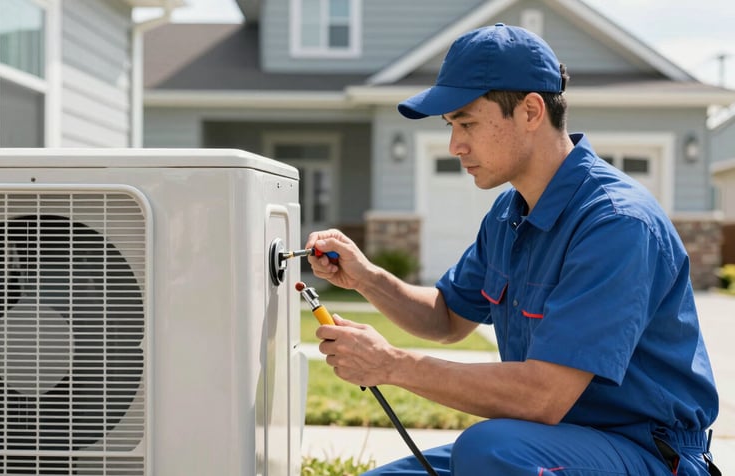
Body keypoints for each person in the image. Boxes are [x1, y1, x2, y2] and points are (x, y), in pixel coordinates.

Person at [305, 23, 720, 476]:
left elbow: (541, 397)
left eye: (467, 123)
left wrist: (390, 364)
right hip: (551, 444)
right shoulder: (509, 214)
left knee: (491, 448)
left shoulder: (616, 223)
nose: (454, 145)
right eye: (450, 126)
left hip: (646, 452)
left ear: (530, 111)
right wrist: (365, 276)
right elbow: (446, 318)